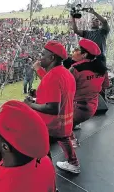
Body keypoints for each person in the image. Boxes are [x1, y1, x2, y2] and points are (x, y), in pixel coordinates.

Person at [26, 40, 79, 174]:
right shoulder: (66, 73)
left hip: (51, 125)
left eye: (43, 54)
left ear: (52, 58)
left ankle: (47, 177)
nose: (40, 57)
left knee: (42, 150)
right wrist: (37, 98)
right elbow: (59, 97)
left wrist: (30, 104)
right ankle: (73, 163)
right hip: (64, 123)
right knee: (64, 139)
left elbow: (53, 108)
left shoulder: (52, 77)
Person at [68, 39, 109, 147]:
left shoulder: (75, 69)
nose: (74, 51)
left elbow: (63, 88)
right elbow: (105, 86)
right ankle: (74, 124)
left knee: (56, 118)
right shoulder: (102, 69)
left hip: (76, 109)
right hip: (92, 107)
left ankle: (72, 142)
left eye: (77, 49)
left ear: (84, 54)